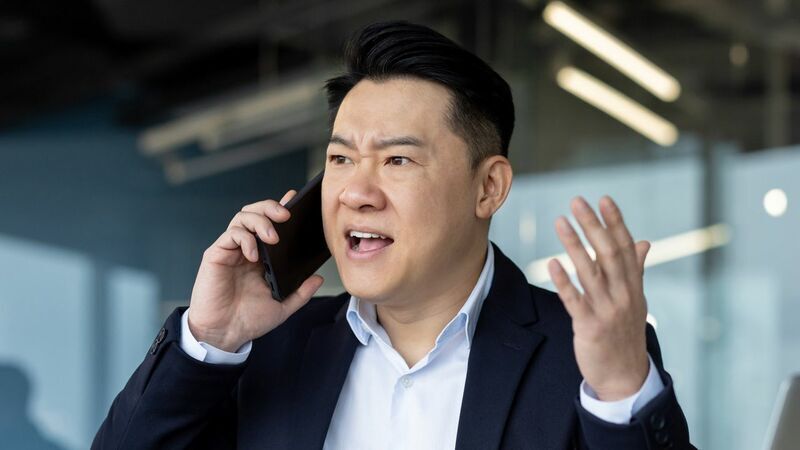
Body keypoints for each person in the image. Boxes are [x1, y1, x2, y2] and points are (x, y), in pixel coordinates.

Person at [94, 21, 694, 449]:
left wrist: (621, 391)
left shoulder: (583, 353)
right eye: (340, 159)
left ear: (488, 187)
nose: (356, 191)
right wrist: (210, 341)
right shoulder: (267, 349)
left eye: (397, 160)